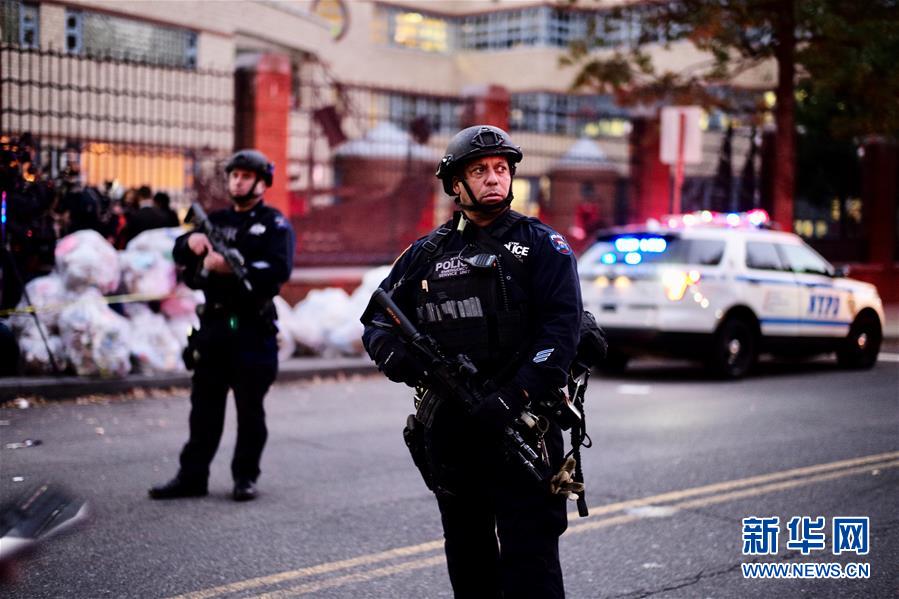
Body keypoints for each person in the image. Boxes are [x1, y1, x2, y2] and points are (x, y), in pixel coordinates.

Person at [362, 125, 583, 597]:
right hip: (451, 431)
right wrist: (399, 360)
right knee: (468, 556)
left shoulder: (543, 246)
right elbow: (377, 321)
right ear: (454, 184)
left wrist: (514, 394)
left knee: (532, 563)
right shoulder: (428, 252)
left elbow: (560, 333)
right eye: (479, 170)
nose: (493, 179)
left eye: (501, 169)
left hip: (522, 428)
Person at [149, 149, 295, 502]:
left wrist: (230, 267)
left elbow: (278, 271)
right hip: (214, 326)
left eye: (246, 176)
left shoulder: (275, 224)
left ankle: (245, 477)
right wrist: (191, 242)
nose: (238, 181)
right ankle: (192, 476)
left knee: (249, 410)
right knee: (204, 408)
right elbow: (180, 255)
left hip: (251, 327)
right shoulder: (215, 220)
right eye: (234, 176)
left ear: (262, 182)